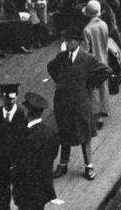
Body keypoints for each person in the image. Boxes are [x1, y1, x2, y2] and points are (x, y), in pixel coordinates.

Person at [45, 24, 109, 181]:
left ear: (78, 42)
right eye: (66, 41)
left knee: (84, 135)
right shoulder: (61, 58)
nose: (67, 43)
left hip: (81, 103)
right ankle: (63, 164)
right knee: (64, 134)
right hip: (63, 103)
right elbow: (50, 67)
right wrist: (59, 81)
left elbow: (105, 70)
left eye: (71, 41)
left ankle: (89, 166)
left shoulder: (87, 59)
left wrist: (90, 83)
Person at [11, 92, 59, 210]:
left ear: (27, 111)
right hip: (43, 187)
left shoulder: (26, 137)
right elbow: (53, 154)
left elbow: (21, 166)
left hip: (27, 190)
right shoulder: (49, 133)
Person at [80, 1, 112, 123]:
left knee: (93, 88)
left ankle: (96, 114)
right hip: (104, 59)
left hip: (93, 62)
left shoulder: (87, 30)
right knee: (104, 85)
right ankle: (105, 108)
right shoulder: (104, 25)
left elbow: (85, 50)